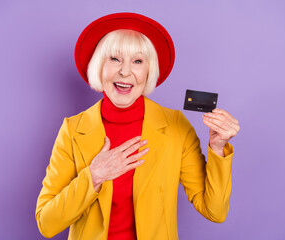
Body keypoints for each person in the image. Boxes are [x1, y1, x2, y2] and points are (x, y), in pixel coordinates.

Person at [35, 12, 240, 240]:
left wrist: (218, 147)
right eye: (114, 59)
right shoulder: (72, 130)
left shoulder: (175, 126)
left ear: (148, 71)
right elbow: (46, 223)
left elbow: (215, 211)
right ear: (99, 66)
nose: (125, 71)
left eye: (138, 61)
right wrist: (94, 176)